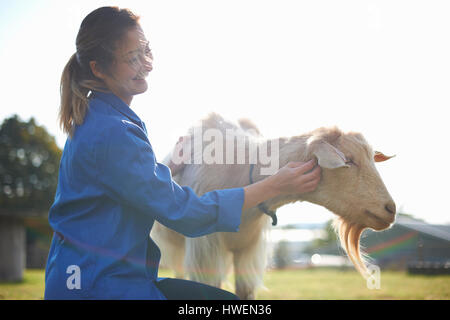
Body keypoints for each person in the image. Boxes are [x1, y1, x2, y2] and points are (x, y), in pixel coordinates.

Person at [44, 6, 321, 300]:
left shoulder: (99, 120)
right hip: (99, 287)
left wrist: (169, 166)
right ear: (98, 68)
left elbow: (130, 186)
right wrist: (275, 185)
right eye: (132, 58)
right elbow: (186, 214)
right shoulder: (114, 132)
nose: (146, 64)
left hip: (97, 278)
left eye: (146, 51)